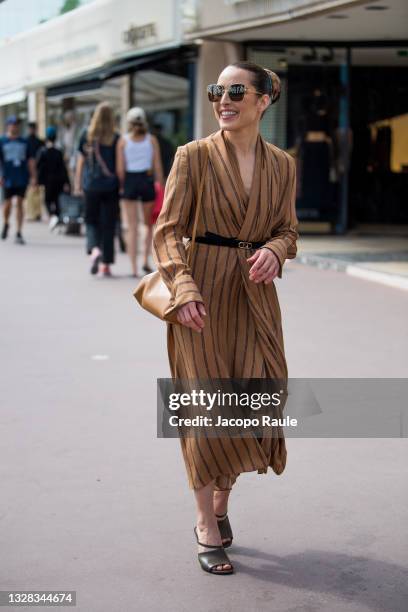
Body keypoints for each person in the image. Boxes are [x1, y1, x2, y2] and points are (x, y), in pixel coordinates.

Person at [153, 61, 299, 575]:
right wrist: (183, 287)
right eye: (218, 90)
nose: (223, 99)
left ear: (264, 100)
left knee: (259, 398)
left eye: (236, 91)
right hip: (201, 297)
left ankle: (222, 495)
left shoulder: (282, 164)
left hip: (256, 298)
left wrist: (277, 251)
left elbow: (288, 229)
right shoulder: (191, 157)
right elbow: (168, 231)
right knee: (206, 409)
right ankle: (205, 522)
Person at [74, 102, 120, 277]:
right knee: (109, 224)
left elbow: (80, 163)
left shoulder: (86, 135)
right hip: (111, 186)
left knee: (91, 220)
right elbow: (120, 165)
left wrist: (78, 184)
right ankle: (106, 264)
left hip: (90, 186)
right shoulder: (116, 137)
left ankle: (94, 250)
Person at [117, 107, 164, 278]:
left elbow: (120, 170)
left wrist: (122, 186)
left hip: (130, 181)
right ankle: (145, 259)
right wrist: (162, 186)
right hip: (146, 181)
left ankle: (133, 267)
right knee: (148, 224)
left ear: (128, 123)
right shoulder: (151, 140)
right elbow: (157, 165)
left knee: (132, 227)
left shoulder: (123, 141)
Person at [0, 115, 36, 244]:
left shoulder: (25, 142)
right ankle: (5, 223)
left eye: (17, 124)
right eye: (13, 124)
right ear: (8, 125)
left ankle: (19, 232)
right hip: (8, 177)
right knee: (7, 204)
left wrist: (33, 177)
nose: (15, 126)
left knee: (20, 203)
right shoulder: (2, 141)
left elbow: (30, 161)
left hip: (21, 176)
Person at [36, 126, 70, 231]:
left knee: (47, 200)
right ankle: (55, 217)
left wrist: (39, 180)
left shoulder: (43, 151)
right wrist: (67, 182)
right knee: (56, 200)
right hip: (58, 181)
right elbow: (63, 168)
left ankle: (53, 217)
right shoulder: (58, 152)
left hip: (48, 181)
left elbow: (39, 167)